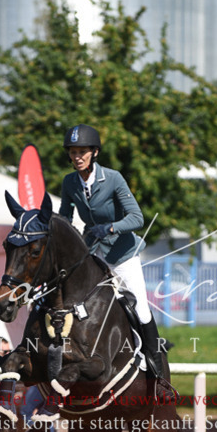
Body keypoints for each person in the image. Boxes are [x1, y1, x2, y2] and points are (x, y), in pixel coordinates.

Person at [59, 124, 166, 380]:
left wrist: (110, 227)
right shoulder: (69, 182)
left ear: (94, 152)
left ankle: (157, 366)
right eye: (73, 152)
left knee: (140, 307)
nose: (77, 157)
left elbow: (137, 217)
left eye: (82, 151)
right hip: (94, 254)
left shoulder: (113, 178)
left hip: (122, 254)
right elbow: (64, 218)